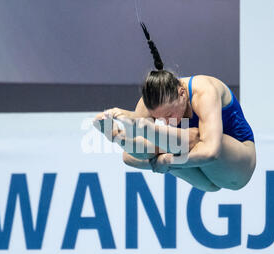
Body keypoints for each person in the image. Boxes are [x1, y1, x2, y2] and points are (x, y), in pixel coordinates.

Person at [93, 23, 256, 192]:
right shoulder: (151, 100)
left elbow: (211, 151)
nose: (165, 120)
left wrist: (168, 161)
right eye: (159, 118)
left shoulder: (204, 91)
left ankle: (146, 129)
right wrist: (161, 155)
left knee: (195, 136)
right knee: (137, 152)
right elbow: (129, 158)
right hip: (202, 176)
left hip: (238, 166)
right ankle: (119, 136)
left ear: (182, 93)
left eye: (169, 114)